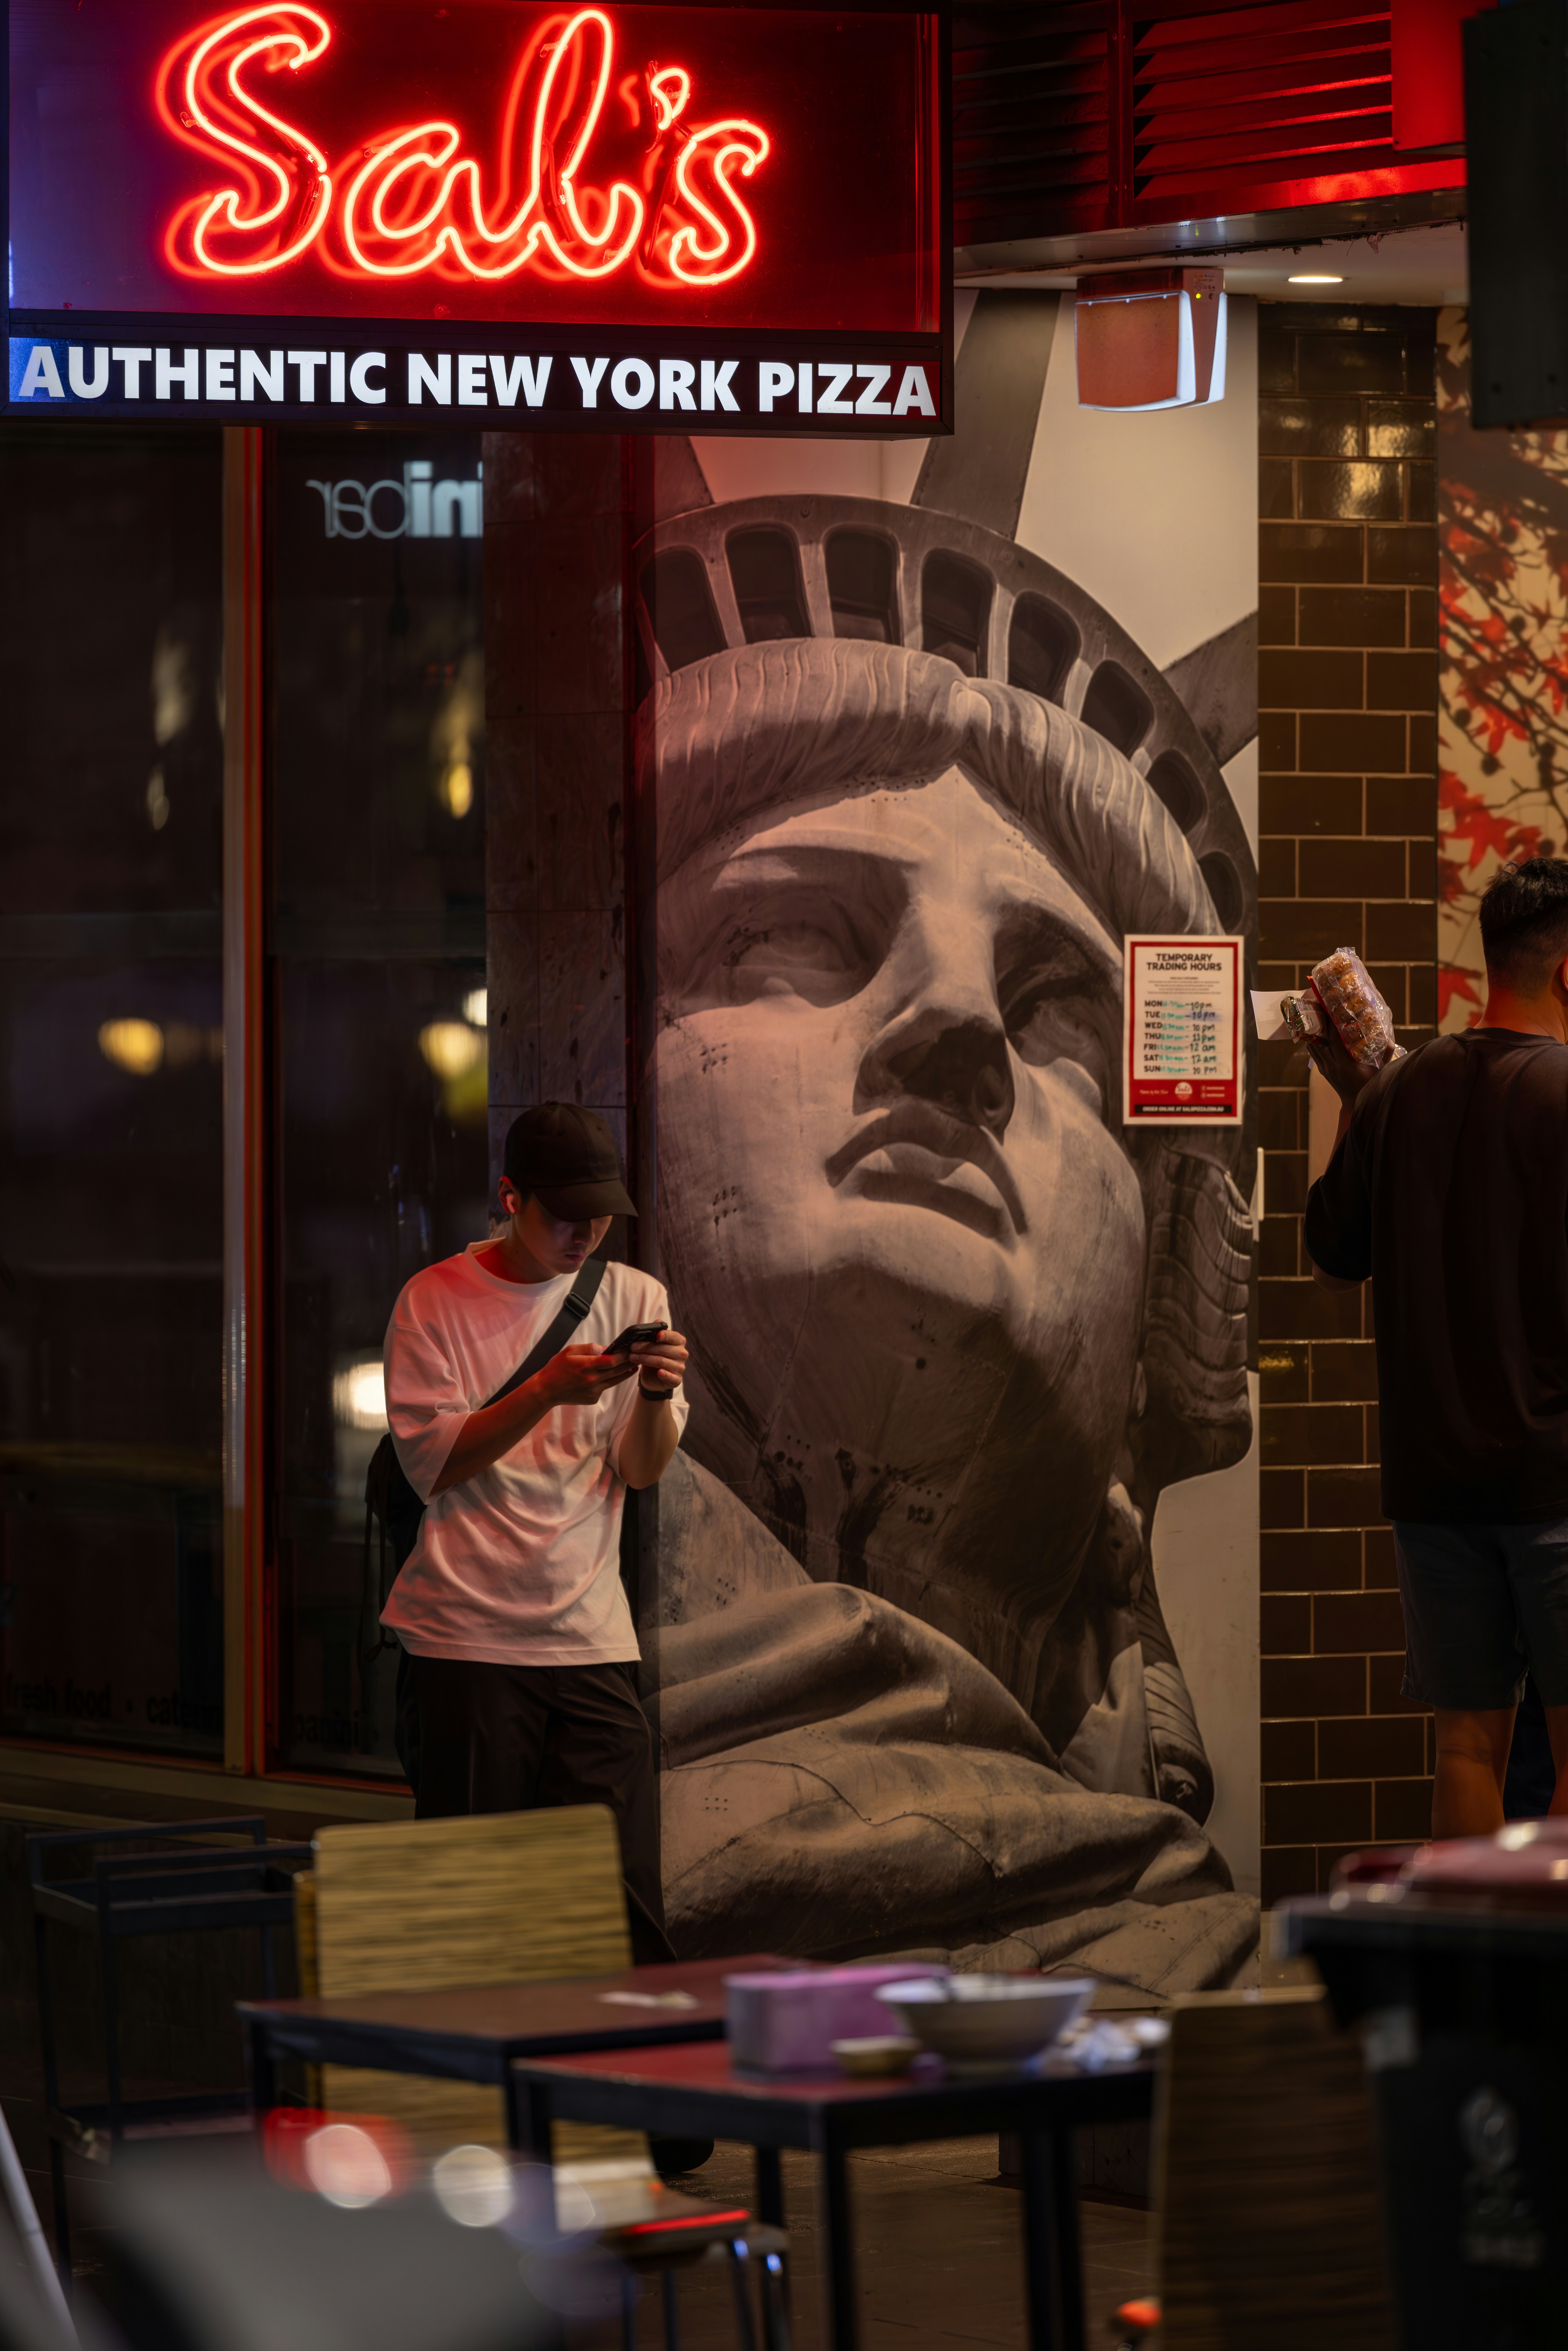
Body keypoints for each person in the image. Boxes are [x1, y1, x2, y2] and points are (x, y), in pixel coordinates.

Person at [637, 637, 1259, 1992]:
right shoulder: (567, 1771)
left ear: (1164, 1311)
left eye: (1056, 1016)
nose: (960, 1021)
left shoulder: (1176, 1927)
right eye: (797, 933)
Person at [380, 1100, 689, 1957]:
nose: (583, 1233)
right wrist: (548, 1389)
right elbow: (431, 1463)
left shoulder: (633, 1294)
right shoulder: (434, 1299)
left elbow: (640, 1469)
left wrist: (657, 1394)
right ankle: (470, 2085)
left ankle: (596, 2081)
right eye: (563, 1215)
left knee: (615, 1906)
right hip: (465, 1642)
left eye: (598, 1215)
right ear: (511, 1199)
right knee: (471, 1915)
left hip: (590, 1635)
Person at [1304, 856, 1568, 1836]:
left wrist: (1354, 1096)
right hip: (1556, 1485)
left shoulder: (1397, 1089)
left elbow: (1333, 1257)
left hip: (1432, 1492)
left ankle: (1473, 1977)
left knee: (1466, 1746)